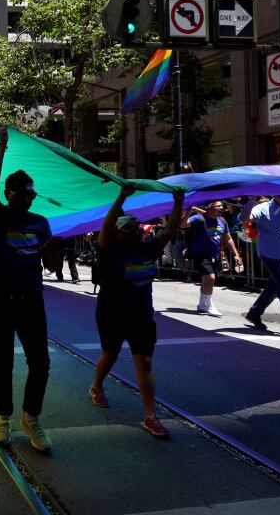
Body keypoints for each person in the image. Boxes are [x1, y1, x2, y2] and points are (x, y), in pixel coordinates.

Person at [0, 126, 58, 453]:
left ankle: (31, 417)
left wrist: (55, 249)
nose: (29, 198)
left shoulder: (41, 222)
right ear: (10, 193)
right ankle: (3, 418)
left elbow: (52, 266)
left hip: (31, 302)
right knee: (3, 362)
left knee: (40, 362)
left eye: (32, 194)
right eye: (24, 193)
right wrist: (2, 147)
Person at [91, 186, 184, 439]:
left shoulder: (147, 249)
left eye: (136, 227)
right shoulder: (108, 250)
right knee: (110, 354)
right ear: (117, 232)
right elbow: (107, 225)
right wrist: (121, 196)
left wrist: (178, 202)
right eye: (128, 228)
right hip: (112, 315)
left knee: (144, 361)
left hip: (141, 316)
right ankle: (97, 386)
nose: (134, 231)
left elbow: (171, 229)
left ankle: (150, 416)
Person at [244, 195, 280, 339]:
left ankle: (254, 313)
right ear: (277, 194)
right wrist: (251, 200)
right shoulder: (262, 208)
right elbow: (245, 219)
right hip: (271, 255)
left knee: (274, 287)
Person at [181, 200, 242, 316]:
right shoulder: (199, 218)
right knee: (210, 277)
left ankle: (202, 304)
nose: (221, 208)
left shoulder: (222, 221)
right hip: (200, 253)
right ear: (209, 207)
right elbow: (182, 225)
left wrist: (236, 254)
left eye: (221, 206)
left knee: (207, 280)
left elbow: (228, 238)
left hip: (215, 255)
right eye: (218, 206)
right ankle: (208, 306)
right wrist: (189, 211)